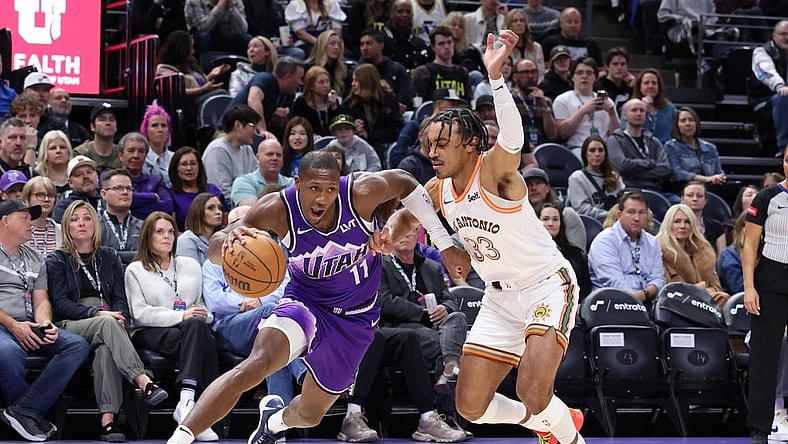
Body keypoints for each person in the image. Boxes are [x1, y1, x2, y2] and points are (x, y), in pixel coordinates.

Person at [164, 147, 469, 444]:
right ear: (297, 183)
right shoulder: (277, 209)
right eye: (314, 188)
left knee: (310, 414)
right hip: (305, 304)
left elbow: (406, 181)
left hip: (356, 320)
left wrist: (440, 243)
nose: (322, 198)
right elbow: (216, 248)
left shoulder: (361, 193)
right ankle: (180, 437)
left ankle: (273, 422)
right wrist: (230, 240)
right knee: (257, 364)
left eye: (330, 189)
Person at [384, 30, 585, 444]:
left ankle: (567, 436)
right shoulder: (439, 189)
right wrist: (384, 237)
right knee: (470, 406)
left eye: (443, 143)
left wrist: (496, 77)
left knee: (533, 392)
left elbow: (513, 139)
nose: (433, 152)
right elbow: (405, 218)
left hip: (545, 286)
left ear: (472, 144)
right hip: (498, 298)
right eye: (429, 145)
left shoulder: (494, 171)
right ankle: (548, 420)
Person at [47, 200, 169, 441]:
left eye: (86, 218)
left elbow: (119, 297)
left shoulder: (108, 256)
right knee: (107, 325)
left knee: (106, 350)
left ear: (95, 223)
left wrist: (120, 316)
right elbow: (60, 304)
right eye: (74, 219)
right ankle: (144, 381)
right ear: (66, 225)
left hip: (109, 321)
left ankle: (108, 422)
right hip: (73, 323)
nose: (81, 223)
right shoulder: (57, 259)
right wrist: (96, 314)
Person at [0, 199, 89, 442]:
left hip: (30, 324)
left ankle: (23, 410)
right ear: (6, 221)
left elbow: (41, 299)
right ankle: (30, 413)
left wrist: (45, 323)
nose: (31, 223)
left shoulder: (36, 257)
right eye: (25, 218)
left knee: (76, 345)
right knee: (9, 352)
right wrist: (13, 325)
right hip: (3, 325)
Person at [125, 212, 219, 442]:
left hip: (189, 330)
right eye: (160, 232)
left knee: (199, 329)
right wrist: (181, 315)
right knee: (206, 342)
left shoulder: (190, 265)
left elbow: (202, 305)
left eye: (170, 232)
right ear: (147, 236)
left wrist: (203, 315)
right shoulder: (135, 270)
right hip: (150, 331)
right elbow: (139, 313)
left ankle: (186, 403)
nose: (167, 236)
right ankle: (201, 414)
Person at [201, 202, 308, 405]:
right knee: (273, 317)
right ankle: (304, 370)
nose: (243, 230)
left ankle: (276, 414)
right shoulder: (213, 262)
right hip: (228, 327)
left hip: (264, 323)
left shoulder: (272, 256)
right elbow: (215, 301)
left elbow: (287, 290)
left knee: (272, 345)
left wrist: (259, 300)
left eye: (249, 224)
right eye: (237, 224)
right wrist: (246, 302)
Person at [379, 225, 468, 393]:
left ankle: (450, 366)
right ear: (390, 236)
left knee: (458, 317)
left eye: (410, 231)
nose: (405, 236)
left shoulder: (431, 267)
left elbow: (450, 301)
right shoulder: (380, 266)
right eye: (400, 231)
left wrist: (445, 309)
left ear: (417, 234)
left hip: (436, 326)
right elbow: (384, 302)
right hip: (402, 329)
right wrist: (421, 313)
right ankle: (450, 371)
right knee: (448, 346)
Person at [336, 327, 466, 443]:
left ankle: (427, 418)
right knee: (374, 336)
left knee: (409, 337)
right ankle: (352, 416)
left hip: (369, 327)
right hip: (338, 332)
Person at [741, 151, 788, 444]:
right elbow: (749, 245)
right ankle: (759, 428)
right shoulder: (767, 198)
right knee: (764, 357)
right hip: (770, 279)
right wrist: (749, 287)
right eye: (787, 159)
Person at [588, 191, 666, 303]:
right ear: (619, 215)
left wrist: (645, 294)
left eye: (641, 213)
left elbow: (658, 278)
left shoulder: (652, 242)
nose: (637, 218)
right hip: (611, 303)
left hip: (647, 301)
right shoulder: (605, 241)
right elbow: (614, 282)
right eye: (631, 212)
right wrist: (637, 297)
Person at [656, 203, 730, 308]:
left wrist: (710, 292)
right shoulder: (659, 251)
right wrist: (702, 289)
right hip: (676, 306)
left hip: (707, 305)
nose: (682, 226)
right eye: (677, 221)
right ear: (668, 224)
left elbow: (716, 286)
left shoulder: (704, 250)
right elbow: (667, 290)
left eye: (687, 222)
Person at [553, 57, 620, 156]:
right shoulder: (562, 100)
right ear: (572, 76)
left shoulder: (607, 101)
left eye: (589, 73)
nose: (584, 76)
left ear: (595, 77)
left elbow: (616, 135)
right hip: (577, 148)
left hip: (604, 148)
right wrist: (583, 110)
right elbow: (563, 133)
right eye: (579, 73)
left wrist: (611, 113)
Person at [339, 63, 405, 162]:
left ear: (366, 82)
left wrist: (370, 135)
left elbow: (396, 130)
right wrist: (353, 126)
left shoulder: (387, 99)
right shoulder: (350, 102)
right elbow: (341, 120)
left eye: (356, 81)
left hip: (384, 143)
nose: (352, 84)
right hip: (358, 145)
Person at [606, 98, 672, 192]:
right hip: (628, 189)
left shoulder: (654, 141)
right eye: (634, 110)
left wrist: (632, 174)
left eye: (642, 110)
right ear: (624, 115)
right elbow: (621, 166)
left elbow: (665, 168)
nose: (638, 113)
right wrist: (650, 163)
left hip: (654, 189)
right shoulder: (615, 140)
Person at [228, 57, 304, 136]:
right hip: (230, 132)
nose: (301, 83)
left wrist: (277, 120)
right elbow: (253, 100)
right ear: (288, 77)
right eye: (300, 78)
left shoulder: (288, 94)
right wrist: (262, 130)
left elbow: (280, 127)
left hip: (250, 136)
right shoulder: (264, 79)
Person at [202, 105, 260, 203]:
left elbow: (256, 181)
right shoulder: (217, 150)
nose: (255, 133)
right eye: (253, 127)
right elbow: (220, 193)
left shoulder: (247, 149)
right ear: (238, 125)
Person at [522, 168, 587, 253]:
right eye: (529, 184)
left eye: (538, 183)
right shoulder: (519, 217)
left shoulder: (567, 215)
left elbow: (577, 254)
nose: (533, 188)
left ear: (548, 188)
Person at [168, 147, 229, 233]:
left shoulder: (212, 190)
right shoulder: (171, 195)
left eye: (193, 163)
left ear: (199, 167)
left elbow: (225, 223)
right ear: (175, 168)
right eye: (184, 164)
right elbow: (172, 230)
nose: (189, 168)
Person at [538, 203, 592, 300]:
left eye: (555, 219)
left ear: (561, 224)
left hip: (573, 303)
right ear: (537, 222)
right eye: (545, 219)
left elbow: (585, 287)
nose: (550, 223)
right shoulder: (528, 253)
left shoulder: (576, 253)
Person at [567, 136, 625, 223]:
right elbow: (582, 210)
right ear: (585, 154)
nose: (597, 154)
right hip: (592, 224)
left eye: (601, 150)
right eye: (592, 150)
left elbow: (624, 202)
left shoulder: (614, 175)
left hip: (616, 222)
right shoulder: (577, 178)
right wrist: (610, 215)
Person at [751, 20, 788, 157]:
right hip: (765, 100)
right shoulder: (762, 52)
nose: (787, 38)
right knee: (784, 97)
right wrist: (779, 86)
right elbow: (766, 72)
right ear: (774, 35)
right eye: (783, 34)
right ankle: (784, 147)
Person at [117, 132, 174, 221]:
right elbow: (114, 199)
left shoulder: (155, 181)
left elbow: (168, 206)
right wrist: (152, 197)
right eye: (131, 151)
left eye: (141, 151)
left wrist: (131, 207)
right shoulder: (111, 178)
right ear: (120, 155)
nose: (136, 156)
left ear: (146, 155)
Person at [663, 106, 726, 187]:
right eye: (683, 121)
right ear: (677, 125)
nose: (688, 124)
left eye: (691, 120)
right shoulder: (670, 147)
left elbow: (719, 172)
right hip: (683, 188)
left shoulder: (710, 148)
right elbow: (677, 173)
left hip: (709, 188)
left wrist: (720, 178)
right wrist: (707, 179)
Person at [411, 26, 472, 103]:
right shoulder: (423, 72)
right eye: (441, 44)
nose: (446, 47)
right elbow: (418, 105)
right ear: (433, 47)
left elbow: (469, 102)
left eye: (449, 42)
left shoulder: (462, 72)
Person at [359, 29, 412, 113]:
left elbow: (405, 96)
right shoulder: (356, 71)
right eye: (362, 44)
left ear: (381, 45)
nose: (364, 48)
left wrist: (394, 105)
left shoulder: (397, 69)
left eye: (369, 43)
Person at [232, 138, 295, 207]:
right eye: (269, 154)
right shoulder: (243, 182)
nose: (275, 158)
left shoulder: (292, 183)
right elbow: (251, 210)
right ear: (257, 158)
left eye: (279, 155)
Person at [98, 170, 143, 266]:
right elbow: (98, 256)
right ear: (104, 194)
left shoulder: (144, 226)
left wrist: (112, 255)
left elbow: (149, 257)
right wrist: (136, 255)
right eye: (118, 188)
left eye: (129, 188)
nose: (125, 192)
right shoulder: (95, 227)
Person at [184, 0, 251, 56]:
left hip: (228, 38)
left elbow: (243, 30)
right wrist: (219, 7)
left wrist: (232, 8)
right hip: (203, 39)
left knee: (246, 38)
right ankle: (203, 65)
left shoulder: (236, 1)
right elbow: (202, 28)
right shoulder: (194, 1)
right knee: (204, 36)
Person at [680, 181, 727, 256]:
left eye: (699, 196)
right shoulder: (673, 225)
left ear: (705, 200)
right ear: (682, 199)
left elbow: (722, 257)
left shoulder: (716, 226)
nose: (695, 199)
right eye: (690, 195)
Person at [176, 193, 225, 265]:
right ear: (198, 212)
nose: (218, 212)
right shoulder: (187, 240)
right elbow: (190, 270)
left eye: (220, 208)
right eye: (211, 208)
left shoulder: (223, 238)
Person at [291, 66, 339, 137]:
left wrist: (334, 106)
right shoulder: (301, 102)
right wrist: (310, 135)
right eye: (321, 82)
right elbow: (295, 125)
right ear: (311, 86)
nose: (325, 85)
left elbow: (340, 124)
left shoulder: (333, 100)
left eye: (327, 81)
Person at [631, 69, 677, 144]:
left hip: (666, 148)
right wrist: (643, 109)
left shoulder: (670, 108)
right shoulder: (629, 107)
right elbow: (627, 132)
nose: (650, 86)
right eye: (646, 83)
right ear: (639, 86)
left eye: (654, 83)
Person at [381, 0, 430, 70]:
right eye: (400, 11)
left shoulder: (418, 43)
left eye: (408, 12)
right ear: (391, 14)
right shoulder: (382, 40)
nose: (404, 15)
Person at [74, 103, 121, 175]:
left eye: (112, 119)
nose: (108, 123)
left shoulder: (122, 154)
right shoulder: (80, 153)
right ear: (92, 126)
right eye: (102, 119)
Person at [53, 156, 102, 223]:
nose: (86, 177)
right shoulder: (65, 207)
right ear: (70, 182)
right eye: (79, 175)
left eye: (89, 172)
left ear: (97, 176)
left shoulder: (107, 202)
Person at [22, 177, 62, 257]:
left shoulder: (62, 231)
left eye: (50, 195)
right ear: (28, 198)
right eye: (40, 195)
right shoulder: (17, 230)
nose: (46, 199)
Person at [443, 12, 485, 87]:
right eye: (453, 25)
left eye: (460, 26)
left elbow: (482, 72)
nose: (457, 28)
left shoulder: (471, 51)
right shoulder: (437, 48)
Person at [304, 30, 348, 98]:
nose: (337, 47)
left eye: (339, 45)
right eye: (332, 44)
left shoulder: (341, 69)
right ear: (322, 46)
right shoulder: (308, 68)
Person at [140, 104, 174, 187]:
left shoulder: (175, 158)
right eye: (154, 125)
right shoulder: (140, 157)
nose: (160, 129)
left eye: (163, 125)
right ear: (146, 130)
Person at [505, 9, 544, 80]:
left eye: (522, 20)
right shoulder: (501, 47)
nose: (519, 23)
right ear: (509, 25)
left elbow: (541, 73)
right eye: (515, 21)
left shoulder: (536, 47)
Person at [593, 47, 635, 112]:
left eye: (623, 64)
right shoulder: (597, 87)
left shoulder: (628, 86)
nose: (619, 68)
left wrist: (634, 88)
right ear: (607, 66)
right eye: (615, 64)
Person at [9, 95, 44, 167]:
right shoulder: (8, 144)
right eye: (23, 116)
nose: (28, 121)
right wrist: (31, 146)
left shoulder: (45, 144)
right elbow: (26, 173)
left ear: (39, 118)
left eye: (32, 115)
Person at [34, 130, 72, 197]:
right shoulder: (36, 177)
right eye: (53, 148)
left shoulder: (78, 175)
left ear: (68, 151)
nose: (58, 151)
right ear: (45, 152)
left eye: (62, 147)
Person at [717, 212, 746, 294]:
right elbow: (738, 289)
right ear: (740, 229)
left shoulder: (768, 253)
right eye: (745, 225)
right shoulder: (731, 254)